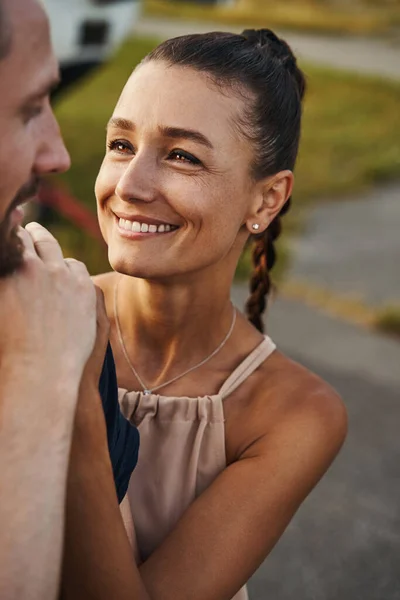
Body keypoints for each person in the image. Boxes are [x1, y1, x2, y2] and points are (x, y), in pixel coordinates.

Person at [62, 28, 348, 600]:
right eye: (121, 145)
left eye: (182, 156)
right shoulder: (34, 315)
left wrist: (77, 402)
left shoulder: (295, 415)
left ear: (266, 200)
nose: (131, 185)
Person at [0, 1, 140, 598]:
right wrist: (45, 374)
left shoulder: (58, 306)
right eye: (29, 108)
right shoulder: (55, 336)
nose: (59, 155)